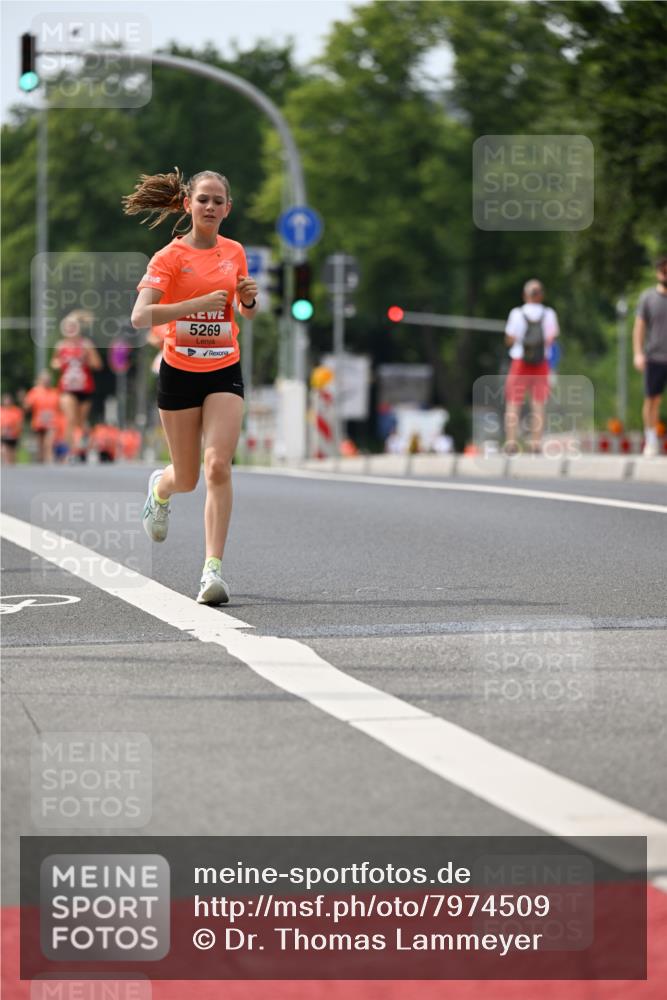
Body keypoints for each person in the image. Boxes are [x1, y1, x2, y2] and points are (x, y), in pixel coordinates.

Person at [123, 167, 259, 605]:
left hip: (224, 368)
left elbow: (245, 312)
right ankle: (160, 489)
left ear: (228, 208)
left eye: (219, 201)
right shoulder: (168, 257)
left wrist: (250, 300)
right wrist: (195, 304)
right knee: (186, 477)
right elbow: (140, 317)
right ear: (188, 204)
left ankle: (212, 571)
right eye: (203, 199)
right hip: (179, 371)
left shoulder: (234, 251)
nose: (211, 207)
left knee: (218, 466)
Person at [503, 279, 559, 454]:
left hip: (520, 361)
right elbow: (552, 338)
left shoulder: (517, 313)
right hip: (541, 362)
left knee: (513, 402)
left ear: (524, 295)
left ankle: (511, 442)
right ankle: (535, 443)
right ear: (541, 295)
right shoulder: (549, 314)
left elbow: (509, 339)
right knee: (538, 404)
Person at [50, 309, 103, 461]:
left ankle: (86, 444)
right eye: (68, 327)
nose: (70, 330)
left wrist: (86, 359)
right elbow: (54, 362)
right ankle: (68, 452)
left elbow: (97, 365)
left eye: (73, 326)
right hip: (67, 388)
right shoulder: (61, 346)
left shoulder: (86, 345)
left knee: (80, 422)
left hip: (85, 388)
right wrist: (58, 363)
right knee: (70, 419)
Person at [632, 255, 667, 458]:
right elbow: (639, 327)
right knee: (652, 400)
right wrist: (638, 353)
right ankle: (651, 440)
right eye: (663, 270)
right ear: (658, 272)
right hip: (654, 356)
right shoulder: (648, 298)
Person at [23, 371, 61, 463]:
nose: (46, 381)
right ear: (40, 381)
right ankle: (41, 461)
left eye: (48, 380)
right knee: (40, 444)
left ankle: (49, 459)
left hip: (52, 422)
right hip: (38, 422)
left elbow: (60, 407)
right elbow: (26, 407)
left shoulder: (55, 392)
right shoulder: (34, 392)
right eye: (44, 379)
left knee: (49, 442)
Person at [1, 393, 24, 464]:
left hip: (13, 435)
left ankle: (12, 467)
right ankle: (6, 464)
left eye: (9, 400)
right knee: (3, 450)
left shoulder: (17, 411)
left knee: (13, 455)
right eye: (6, 400)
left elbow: (19, 424)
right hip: (2, 435)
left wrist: (16, 431)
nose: (7, 402)